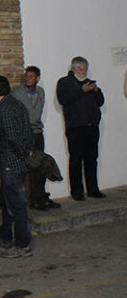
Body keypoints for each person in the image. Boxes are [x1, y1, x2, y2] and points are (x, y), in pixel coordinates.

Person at [0, 76, 35, 259]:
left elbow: (13, 137)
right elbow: (28, 131)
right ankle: (5, 235)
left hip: (11, 163)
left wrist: (23, 154)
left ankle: (22, 244)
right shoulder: (17, 104)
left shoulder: (6, 109)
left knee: (16, 205)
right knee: (6, 200)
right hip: (19, 163)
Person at [56, 56, 106, 201]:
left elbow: (100, 102)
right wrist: (82, 91)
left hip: (91, 126)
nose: (84, 72)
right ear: (73, 68)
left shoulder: (90, 83)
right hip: (75, 127)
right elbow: (63, 100)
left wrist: (96, 91)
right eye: (81, 69)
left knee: (92, 159)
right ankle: (77, 191)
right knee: (76, 159)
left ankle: (93, 189)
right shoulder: (65, 82)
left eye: (85, 69)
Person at [11, 66, 60, 210]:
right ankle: (35, 198)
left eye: (31, 76)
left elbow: (37, 113)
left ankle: (42, 196)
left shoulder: (40, 92)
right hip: (25, 133)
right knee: (31, 166)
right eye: (26, 76)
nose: (28, 79)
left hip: (37, 133)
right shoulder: (17, 94)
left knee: (41, 164)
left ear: (37, 78)